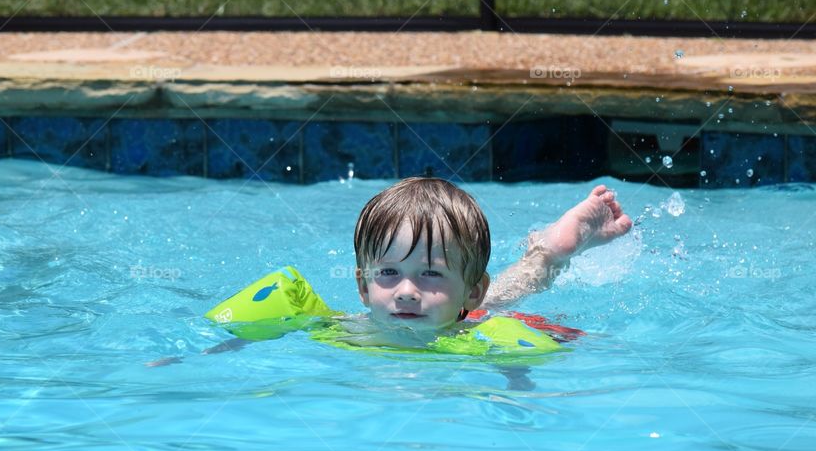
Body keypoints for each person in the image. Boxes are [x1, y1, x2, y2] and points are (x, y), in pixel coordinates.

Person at [147, 176, 631, 365]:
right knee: (496, 291)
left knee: (508, 294)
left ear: (466, 291)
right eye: (388, 274)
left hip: (472, 314)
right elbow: (250, 337)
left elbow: (567, 340)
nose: (405, 292)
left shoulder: (484, 327)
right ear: (361, 286)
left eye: (430, 274)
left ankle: (552, 250)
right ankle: (547, 247)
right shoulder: (342, 328)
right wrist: (189, 359)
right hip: (465, 303)